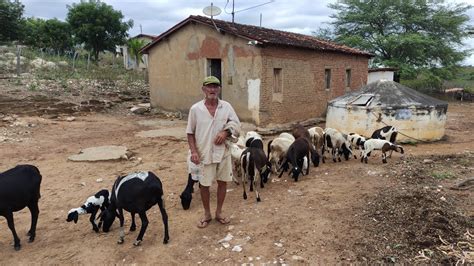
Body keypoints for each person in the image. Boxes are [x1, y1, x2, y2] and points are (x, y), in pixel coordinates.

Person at [186, 76, 241, 229]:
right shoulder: (196, 109)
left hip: (223, 153)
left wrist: (226, 132)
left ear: (219, 89)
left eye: (215, 87)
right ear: (204, 89)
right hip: (204, 154)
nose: (212, 90)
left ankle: (219, 212)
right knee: (204, 185)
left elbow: (236, 124)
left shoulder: (226, 107)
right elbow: (190, 133)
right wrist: (194, 151)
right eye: (209, 87)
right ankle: (207, 214)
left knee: (223, 182)